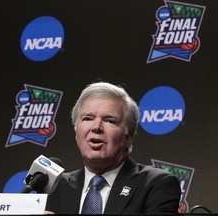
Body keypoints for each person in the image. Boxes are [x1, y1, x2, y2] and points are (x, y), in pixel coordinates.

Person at [46, 81, 181, 214]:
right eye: (87, 118)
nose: (96, 127)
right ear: (76, 132)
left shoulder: (156, 185)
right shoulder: (54, 187)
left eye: (110, 120)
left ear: (129, 137)